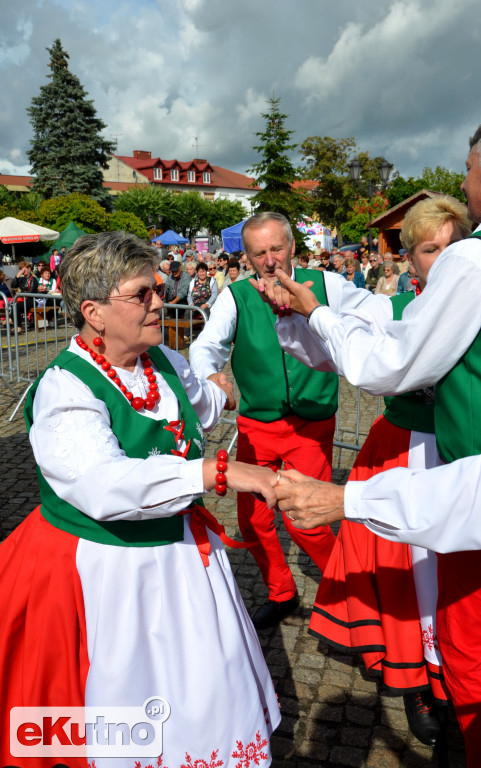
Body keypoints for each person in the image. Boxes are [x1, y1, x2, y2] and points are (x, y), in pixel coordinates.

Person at [252, 112, 481, 768]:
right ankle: (425, 685)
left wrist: (316, 315)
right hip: (442, 468)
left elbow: (391, 363)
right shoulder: (410, 294)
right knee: (430, 601)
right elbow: (375, 330)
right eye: (427, 249)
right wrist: (311, 316)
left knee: (466, 639)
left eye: (468, 169)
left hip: (470, 476)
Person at [0, 231, 281, 768]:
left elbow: (200, 404)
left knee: (202, 680)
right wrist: (215, 470)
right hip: (107, 572)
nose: (160, 301)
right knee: (124, 691)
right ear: (94, 312)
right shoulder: (66, 388)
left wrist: (225, 386)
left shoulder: (165, 362)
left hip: (180, 557)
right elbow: (104, 484)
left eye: (157, 288)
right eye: (142, 294)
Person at [309, 196, 471, 747]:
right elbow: (329, 344)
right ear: (410, 260)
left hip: (464, 452)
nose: (443, 257)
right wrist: (301, 304)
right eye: (430, 249)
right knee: (415, 573)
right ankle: (420, 677)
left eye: (452, 245)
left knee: (461, 572)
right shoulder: (394, 309)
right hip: (403, 448)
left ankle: (461, 671)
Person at [190, 212, 381, 630]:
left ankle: (359, 599)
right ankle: (282, 592)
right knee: (253, 521)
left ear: (292, 247)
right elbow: (207, 343)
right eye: (259, 253)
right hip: (257, 426)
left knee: (307, 522)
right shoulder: (236, 295)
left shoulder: (327, 284)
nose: (270, 260)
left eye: (277, 248)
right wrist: (209, 374)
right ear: (247, 256)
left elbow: (379, 317)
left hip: (311, 425)